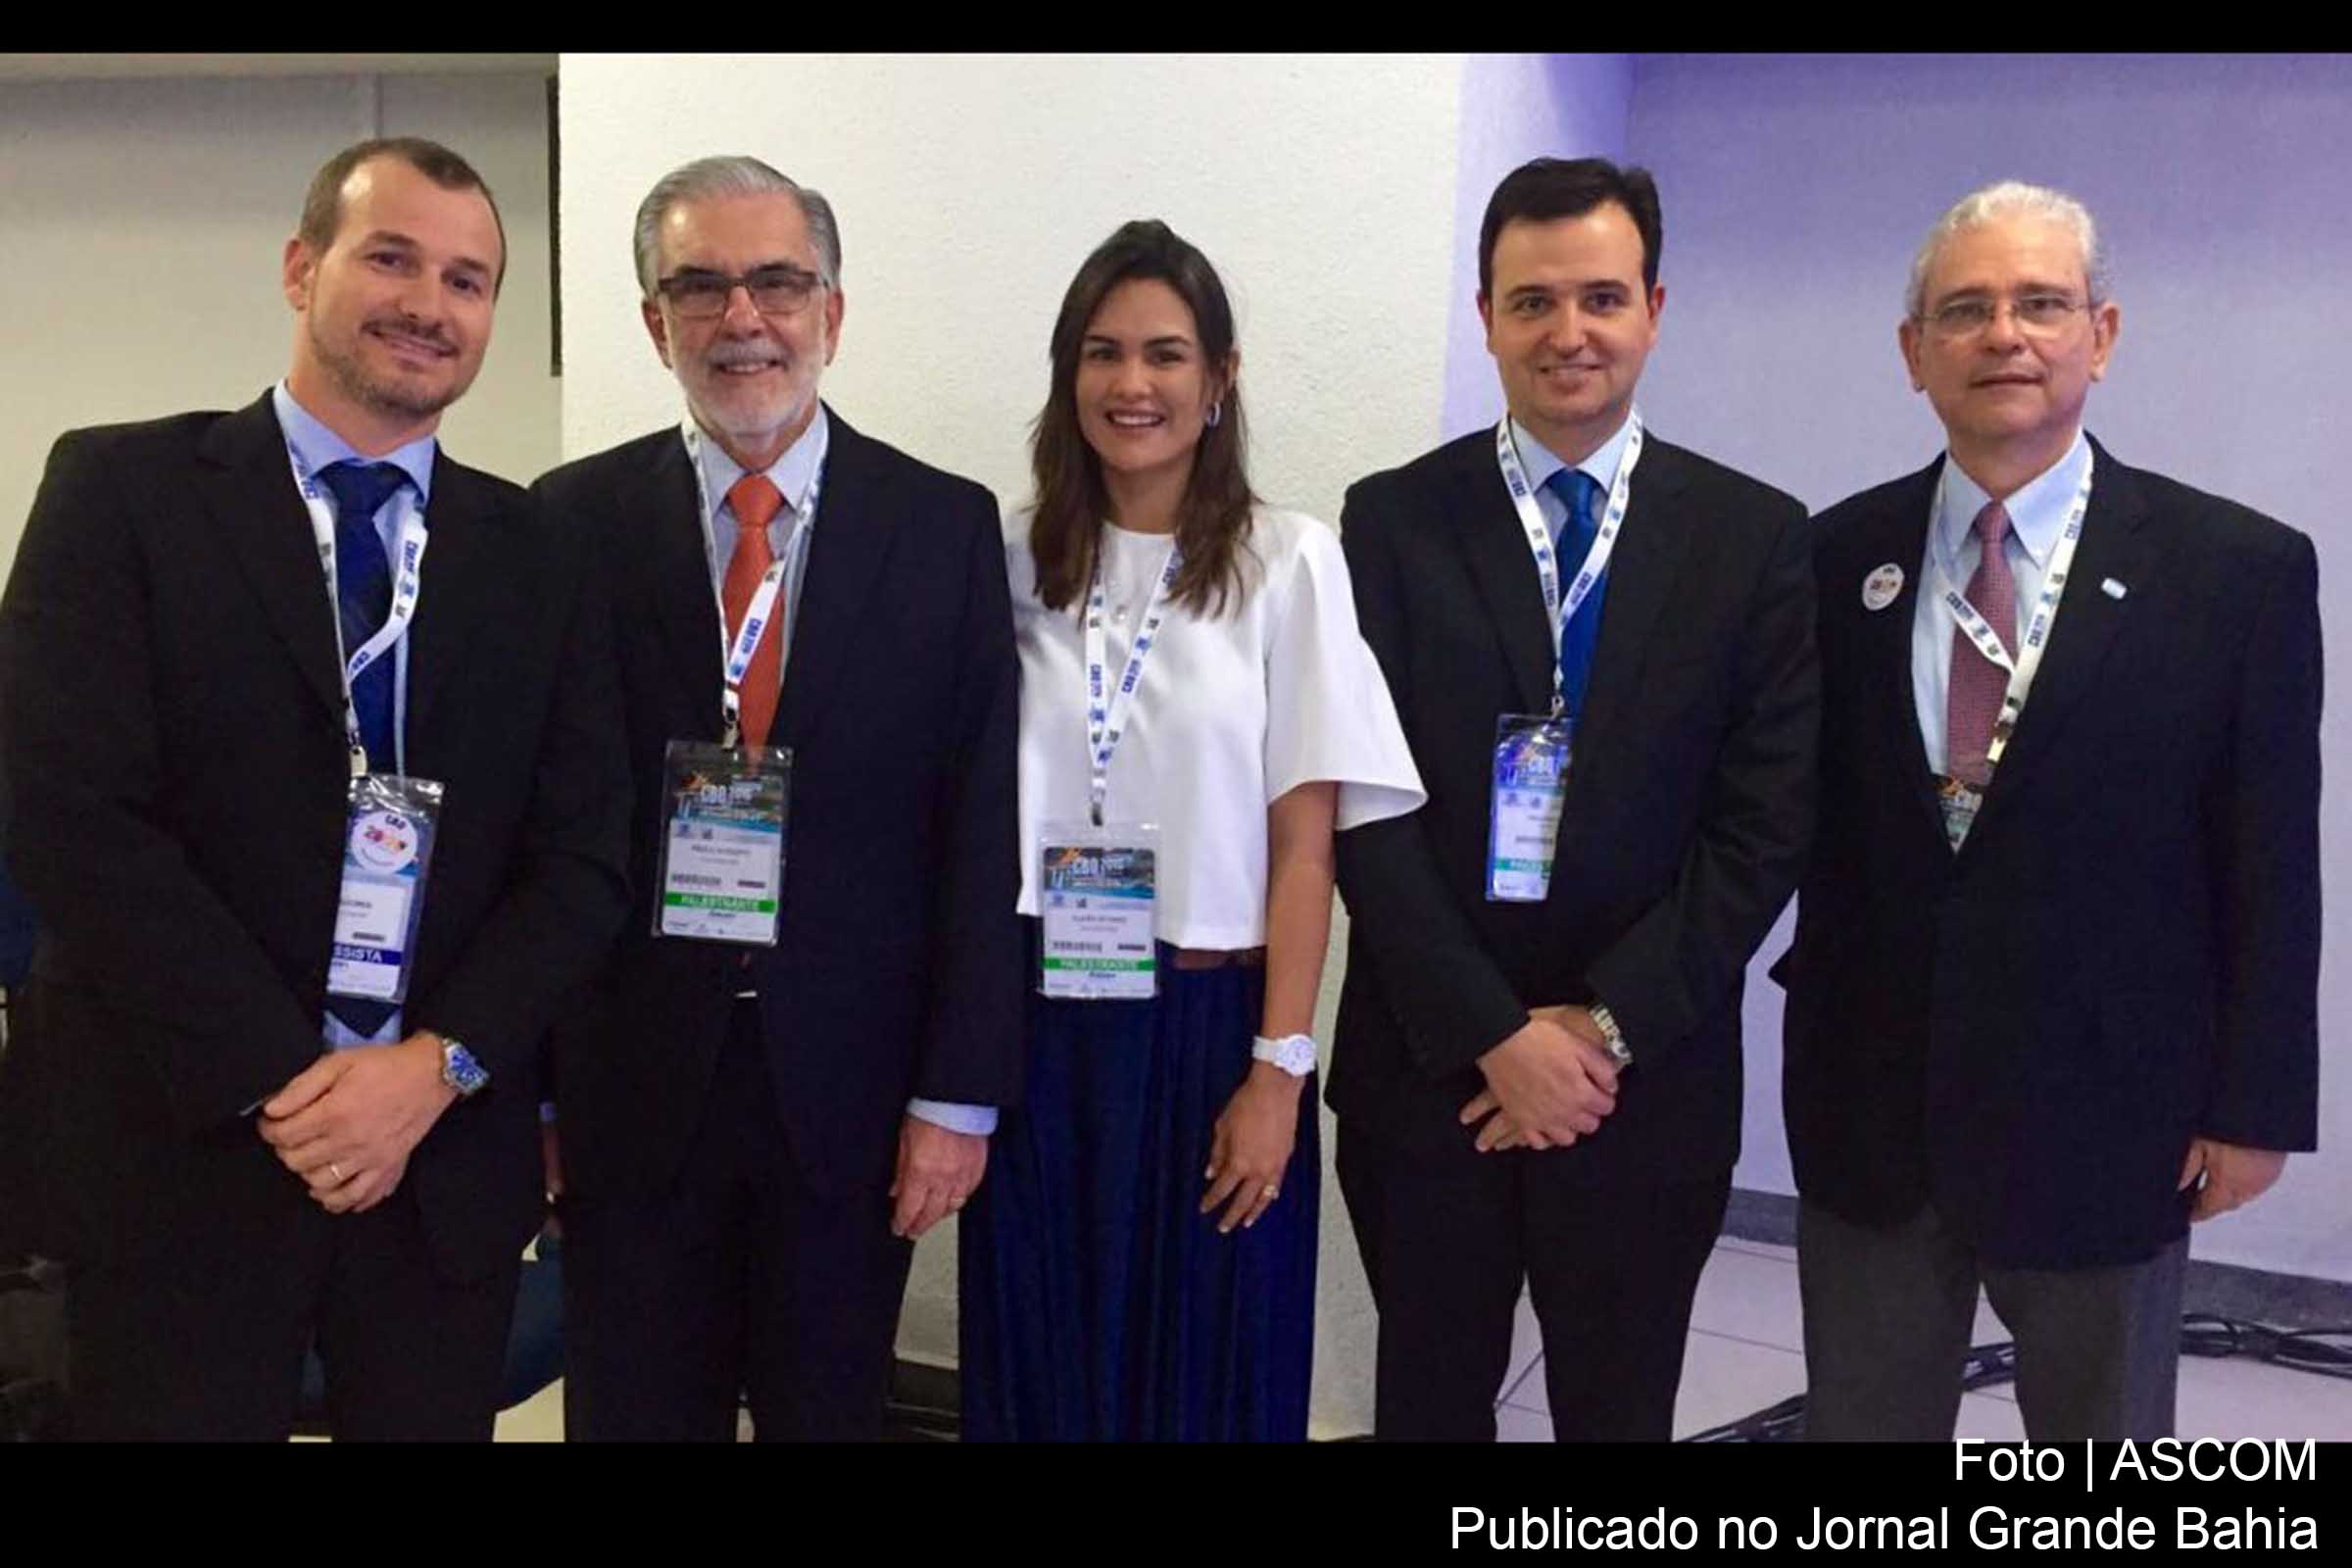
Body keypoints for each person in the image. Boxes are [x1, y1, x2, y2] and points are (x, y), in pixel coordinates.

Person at [0, 136, 630, 1440]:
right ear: (301, 268)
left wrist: (429, 1071)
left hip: (436, 1163)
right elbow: (68, 817)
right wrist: (296, 1083)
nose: (427, 303)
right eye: (390, 257)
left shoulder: (542, 556)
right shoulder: (121, 492)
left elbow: (583, 864)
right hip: (183, 1154)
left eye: (467, 279)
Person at [1779, 180, 2322, 1441]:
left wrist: (2255, 1102)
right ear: (1915, 354)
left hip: (2113, 1110)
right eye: (1963, 309)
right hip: (1875, 1106)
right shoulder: (1823, 558)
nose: (2004, 335)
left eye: (2040, 303)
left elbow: (2271, 858)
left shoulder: (2235, 571)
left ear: (2103, 333)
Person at [533, 155, 1023, 1441]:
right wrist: (527, 1089)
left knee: (828, 1417)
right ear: (655, 321)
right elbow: (537, 831)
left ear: (832, 312)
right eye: (700, 286)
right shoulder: (566, 527)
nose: (741, 317)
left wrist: (958, 1094)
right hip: (628, 1091)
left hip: (856, 1095)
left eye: (777, 282)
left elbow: (979, 830)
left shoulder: (945, 527)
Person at [1330, 157, 1818, 1441]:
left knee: (1618, 1412)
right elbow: (1363, 807)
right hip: (1432, 1073)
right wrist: (1496, 1033)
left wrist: (1596, 1034)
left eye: (1601, 297)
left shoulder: (1757, 538)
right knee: (1429, 1407)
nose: (1569, 332)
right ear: (1486, 317)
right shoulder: (1389, 523)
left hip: (1642, 1082)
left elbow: (1762, 828)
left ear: (1655, 306)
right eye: (1531, 301)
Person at [956, 219, 1422, 1442]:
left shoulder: (1289, 562)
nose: (1132, 384)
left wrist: (1280, 1069)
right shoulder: (1005, 556)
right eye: (1102, 353)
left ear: (1219, 380)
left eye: (1166, 354)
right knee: (1045, 1358)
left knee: (1207, 1368)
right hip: (1038, 1019)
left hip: (1210, 1025)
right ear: (1069, 378)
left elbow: (1307, 843)